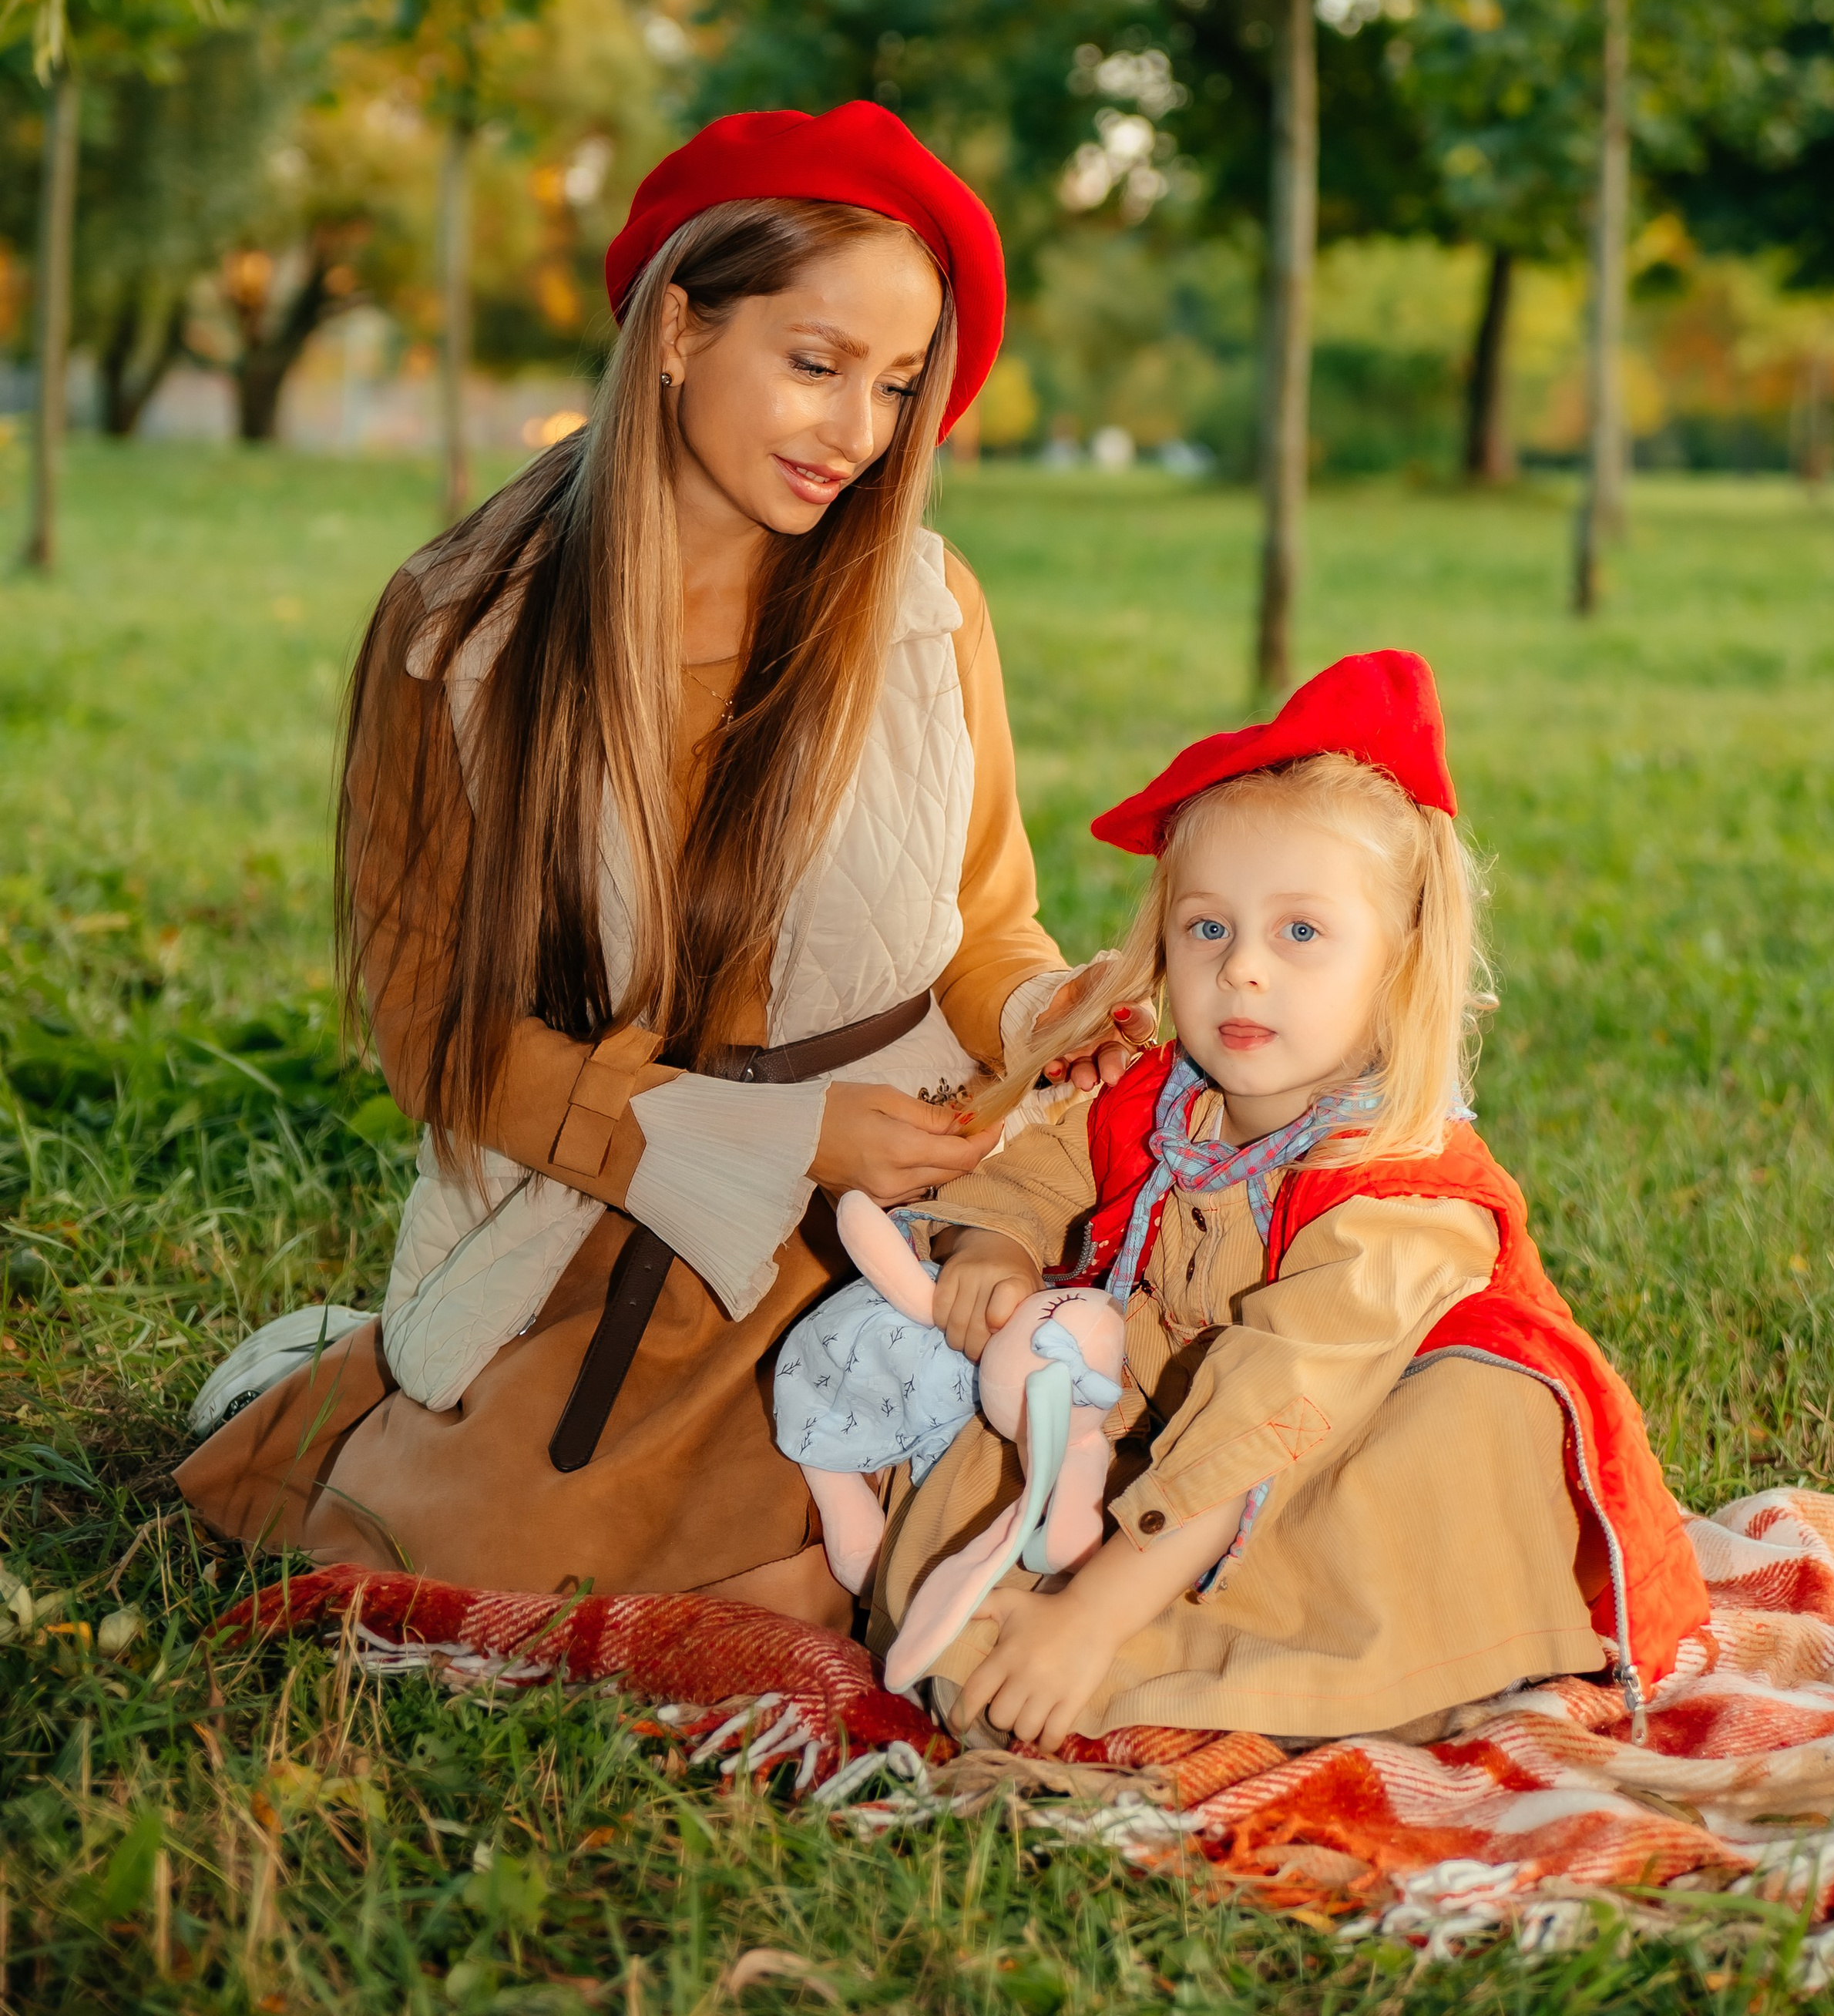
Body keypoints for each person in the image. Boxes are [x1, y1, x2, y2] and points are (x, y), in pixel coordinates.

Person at [176, 104, 1126, 1623]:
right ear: (677, 329)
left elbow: (983, 924)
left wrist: (1041, 1016)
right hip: (622, 1204)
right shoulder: (461, 638)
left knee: (1095, 1488)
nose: (858, 433)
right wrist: (785, 1141)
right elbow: (442, 1044)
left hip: (919, 1212)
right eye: (815, 366)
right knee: (594, 1566)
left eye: (894, 386)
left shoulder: (928, 606)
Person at [868, 650, 1711, 1749]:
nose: (1243, 971)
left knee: (1469, 1427)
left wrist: (1094, 1611)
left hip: (1330, 1461)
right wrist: (998, 1242)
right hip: (1176, 1459)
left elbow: (1273, 1406)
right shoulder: (1168, 1098)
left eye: (1301, 934)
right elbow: (1043, 1164)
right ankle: (1097, 1636)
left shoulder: (1405, 1193)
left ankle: (1203, 1667)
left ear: (1400, 965)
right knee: (1003, 1418)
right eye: (1208, 929)